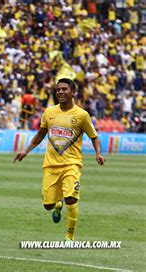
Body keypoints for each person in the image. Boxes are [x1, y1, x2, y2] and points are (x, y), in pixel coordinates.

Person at [14, 78, 105, 241]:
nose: (60, 92)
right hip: (51, 165)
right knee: (47, 206)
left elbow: (94, 137)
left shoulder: (82, 115)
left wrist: (98, 153)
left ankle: (70, 235)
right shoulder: (49, 112)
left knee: (71, 198)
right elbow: (40, 134)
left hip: (72, 164)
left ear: (73, 92)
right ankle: (57, 204)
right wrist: (25, 151)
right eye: (58, 90)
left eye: (64, 89)